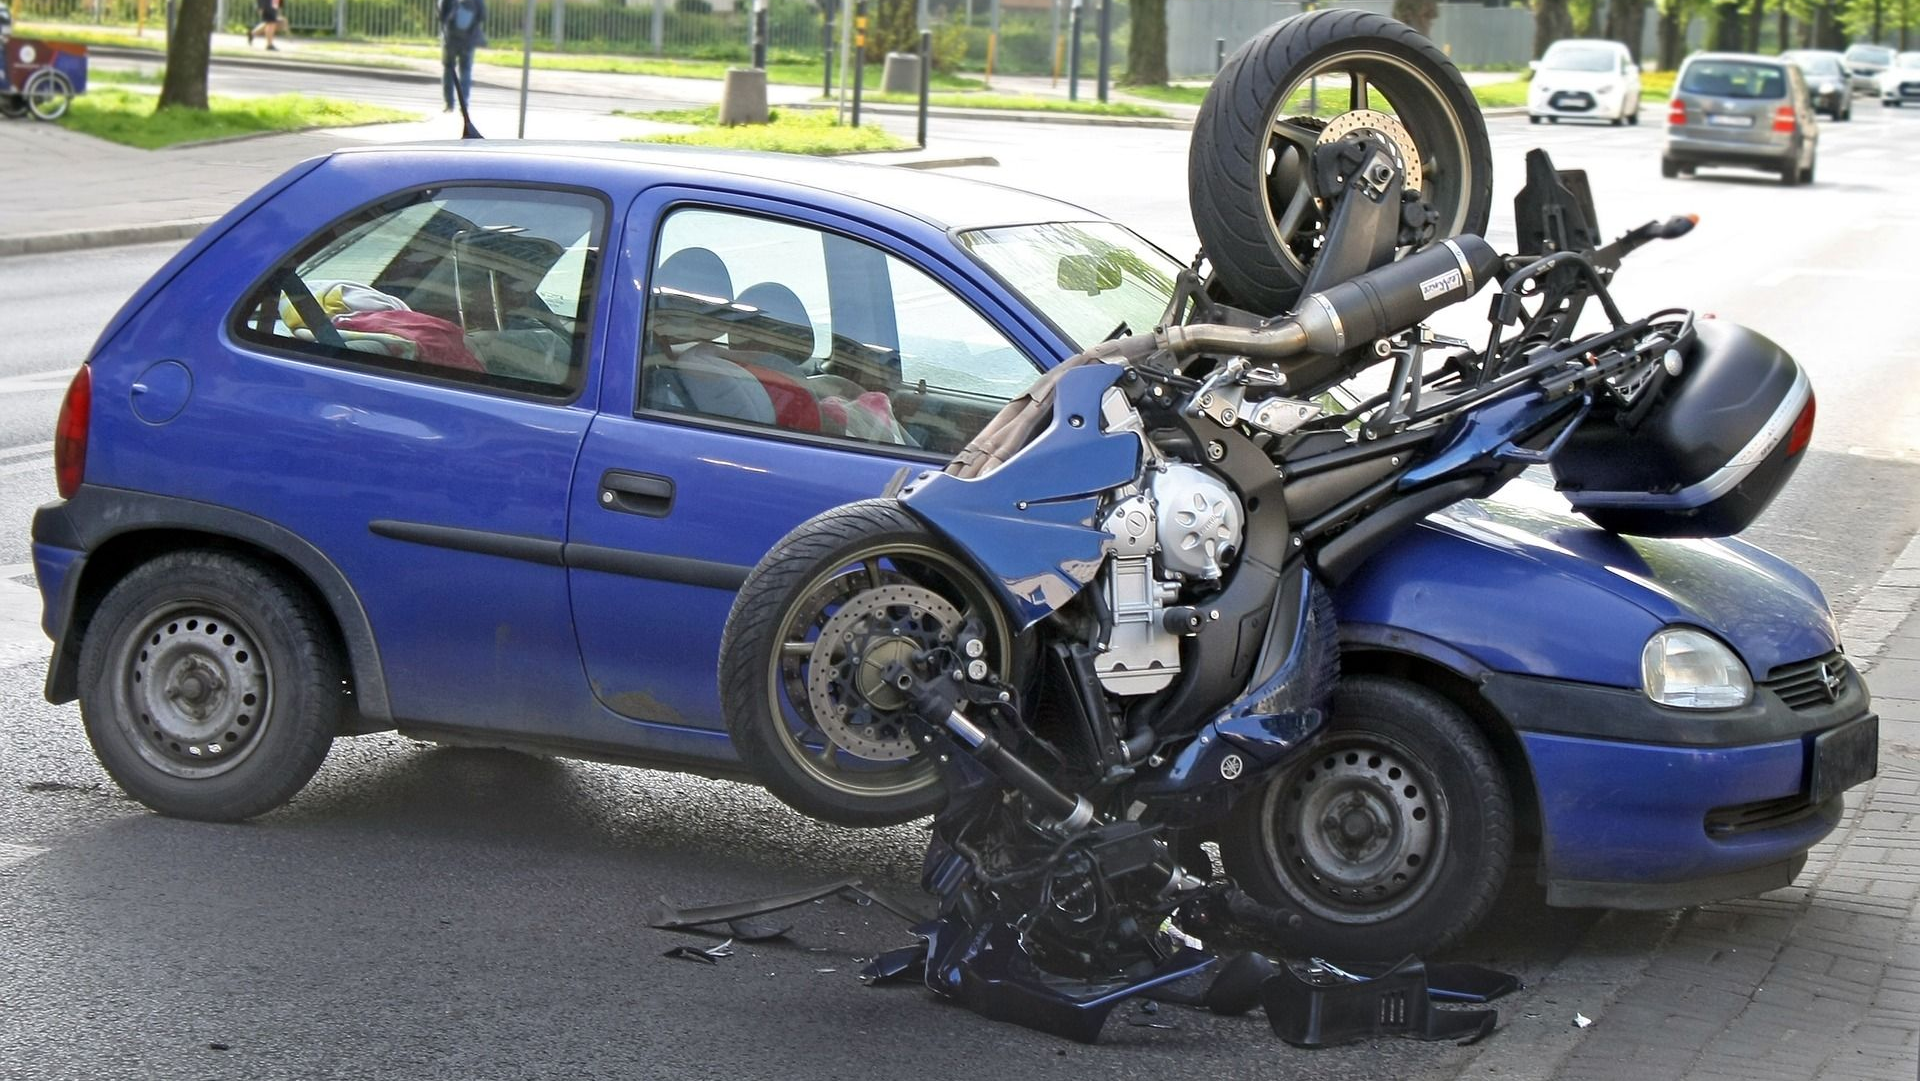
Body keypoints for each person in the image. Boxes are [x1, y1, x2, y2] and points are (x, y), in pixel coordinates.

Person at [439, 0, 486, 113]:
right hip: (468, 40)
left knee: (449, 69)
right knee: (466, 70)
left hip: (450, 39)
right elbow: (483, 15)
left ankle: (449, 103)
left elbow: (441, 14)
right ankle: (464, 104)